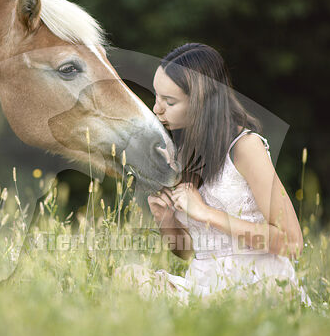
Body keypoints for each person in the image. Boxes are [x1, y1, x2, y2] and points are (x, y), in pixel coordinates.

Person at [115, 43, 311, 306]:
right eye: (157, 97)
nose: (156, 110)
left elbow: (291, 243)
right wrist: (166, 219)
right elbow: (185, 251)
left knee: (264, 295)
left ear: (201, 103)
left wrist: (207, 214)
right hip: (204, 287)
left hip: (258, 286)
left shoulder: (245, 147)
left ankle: (199, 311)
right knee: (126, 276)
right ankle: (200, 309)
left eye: (169, 102)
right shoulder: (182, 154)